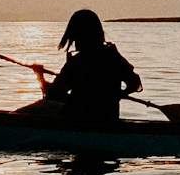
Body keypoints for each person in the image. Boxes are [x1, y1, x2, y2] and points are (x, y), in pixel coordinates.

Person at [15, 9, 143, 126]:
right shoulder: (113, 56)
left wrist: (39, 76)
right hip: (108, 116)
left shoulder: (78, 61)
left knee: (37, 108)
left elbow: (53, 94)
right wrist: (118, 95)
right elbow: (135, 83)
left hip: (79, 116)